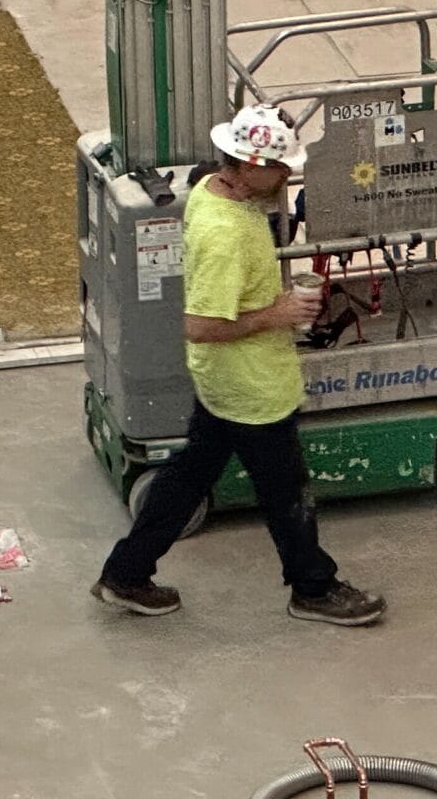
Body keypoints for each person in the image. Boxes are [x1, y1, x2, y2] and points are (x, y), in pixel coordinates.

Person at [93, 105, 387, 627]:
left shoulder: (212, 189)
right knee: (286, 493)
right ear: (249, 167)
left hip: (227, 382)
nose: (287, 176)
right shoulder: (224, 236)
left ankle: (126, 572)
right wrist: (280, 313)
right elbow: (200, 325)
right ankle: (313, 587)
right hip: (249, 388)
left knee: (189, 475)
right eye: (279, 167)